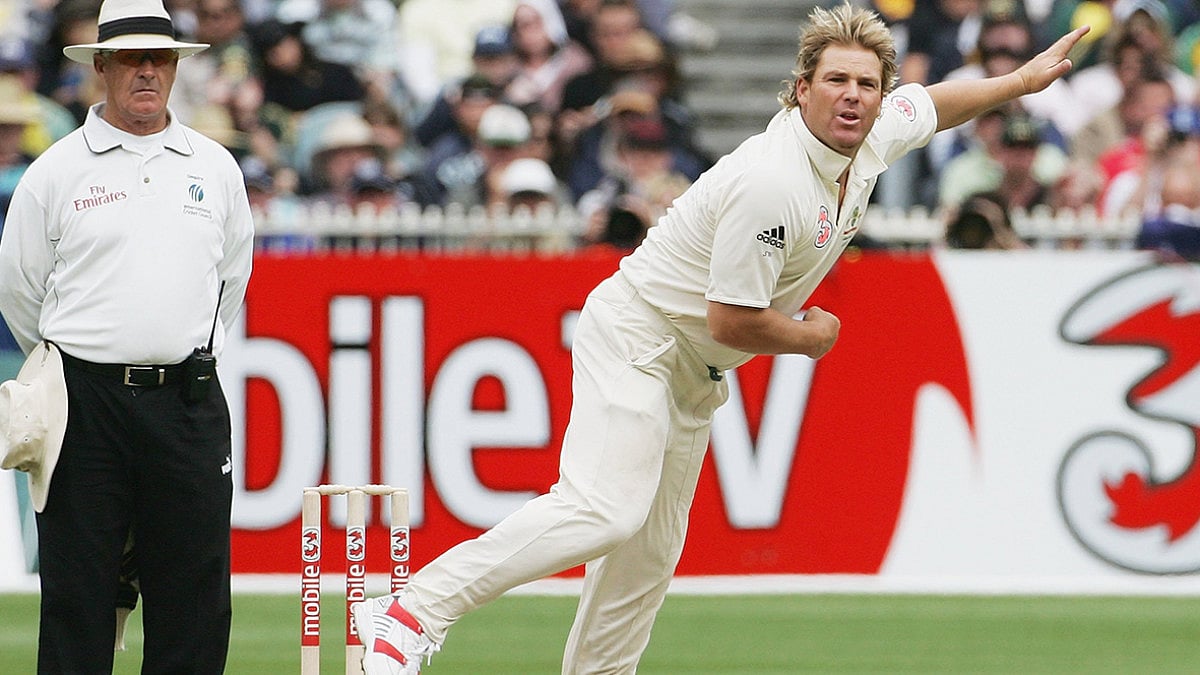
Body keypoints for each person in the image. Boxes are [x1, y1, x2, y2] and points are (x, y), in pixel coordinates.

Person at [351, 5, 1088, 674]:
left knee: (646, 562)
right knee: (606, 509)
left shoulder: (872, 130)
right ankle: (409, 611)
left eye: (866, 82)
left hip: (694, 370)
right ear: (802, 89)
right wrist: (809, 337)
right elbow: (733, 319)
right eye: (836, 80)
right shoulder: (774, 181)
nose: (854, 95)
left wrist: (1018, 82)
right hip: (643, 333)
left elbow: (931, 103)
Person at [0, 0, 254, 671]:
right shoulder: (56, 170)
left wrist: (173, 351)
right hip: (84, 405)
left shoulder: (214, 167)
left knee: (194, 604)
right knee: (78, 600)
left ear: (174, 68)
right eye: (133, 59)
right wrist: (77, 364)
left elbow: (229, 282)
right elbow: (21, 290)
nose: (147, 72)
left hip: (187, 402)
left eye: (160, 58)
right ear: (102, 67)